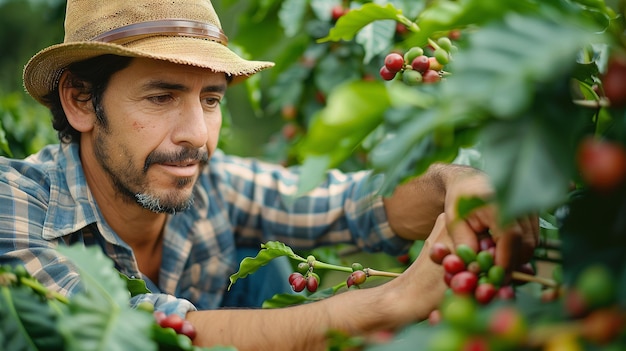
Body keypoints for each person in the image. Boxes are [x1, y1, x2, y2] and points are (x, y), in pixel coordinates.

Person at [0, 0, 539, 350]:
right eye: (162, 96)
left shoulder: (213, 185)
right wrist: (388, 302)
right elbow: (147, 332)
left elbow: (355, 206)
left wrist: (455, 183)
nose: (196, 134)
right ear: (79, 101)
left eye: (210, 100)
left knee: (260, 270)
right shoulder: (13, 206)